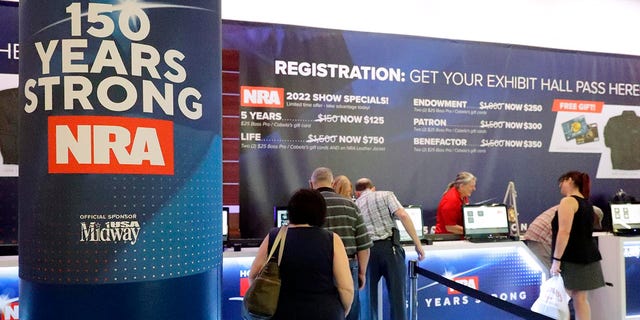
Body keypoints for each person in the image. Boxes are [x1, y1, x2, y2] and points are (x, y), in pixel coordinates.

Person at [247, 189, 354, 319]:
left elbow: (253, 274)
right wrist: (342, 312)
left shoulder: (274, 237)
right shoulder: (332, 239)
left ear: (291, 211)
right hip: (324, 311)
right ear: (321, 213)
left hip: (282, 312)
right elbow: (345, 288)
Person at [354, 178, 425, 320]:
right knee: (397, 297)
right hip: (390, 249)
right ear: (373, 188)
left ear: (357, 192)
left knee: (367, 300)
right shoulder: (386, 195)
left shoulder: (355, 204)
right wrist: (417, 243)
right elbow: (403, 215)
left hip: (367, 253)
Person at [310, 168, 372, 320]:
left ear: (311, 184)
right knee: (350, 312)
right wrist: (362, 273)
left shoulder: (307, 206)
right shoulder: (350, 205)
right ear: (332, 183)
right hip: (348, 266)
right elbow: (364, 246)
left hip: (316, 267)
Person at [550, 171, 604, 320]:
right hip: (588, 257)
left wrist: (556, 260)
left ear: (570, 180)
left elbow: (564, 232)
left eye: (562, 181)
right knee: (580, 299)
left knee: (560, 299)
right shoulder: (587, 203)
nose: (560, 186)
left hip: (571, 259)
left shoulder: (568, 202)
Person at [524, 205, 559, 273]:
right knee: (551, 274)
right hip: (541, 236)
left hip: (538, 233)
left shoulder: (572, 205)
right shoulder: (579, 208)